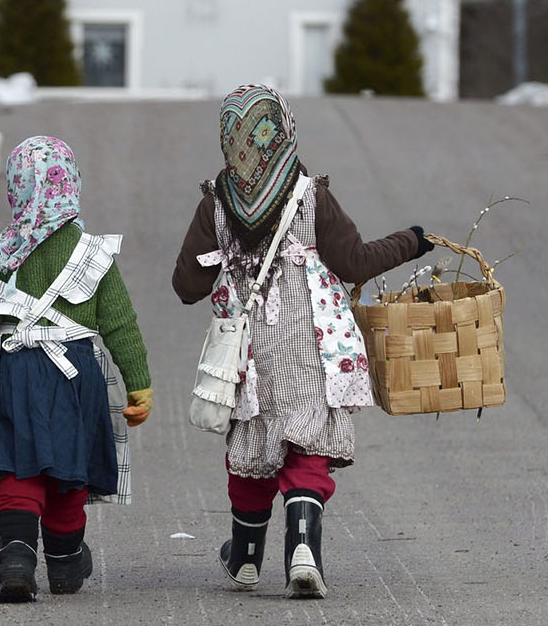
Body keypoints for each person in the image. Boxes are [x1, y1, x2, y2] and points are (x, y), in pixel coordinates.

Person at [172, 84, 432, 598]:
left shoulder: (216, 206)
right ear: (283, 131)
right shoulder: (311, 196)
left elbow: (186, 286)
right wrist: (412, 240)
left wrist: (223, 261)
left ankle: (246, 556)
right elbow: (356, 261)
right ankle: (303, 550)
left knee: (252, 443)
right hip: (312, 343)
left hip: (250, 355)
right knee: (306, 443)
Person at [0, 135, 152, 603]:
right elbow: (120, 324)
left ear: (15, 192)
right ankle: (64, 560)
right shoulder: (90, 253)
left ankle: (16, 557)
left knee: (17, 461)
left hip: (17, 372)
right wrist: (140, 386)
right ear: (70, 185)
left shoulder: (3, 252)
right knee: (68, 467)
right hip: (76, 376)